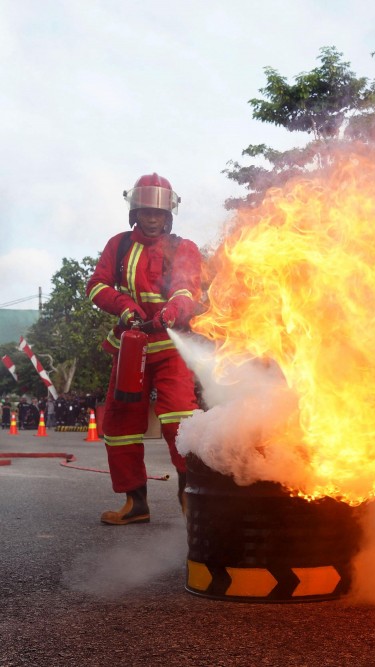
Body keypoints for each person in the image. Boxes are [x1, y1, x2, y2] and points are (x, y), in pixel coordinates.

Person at [86, 173, 202, 525]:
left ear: (169, 215)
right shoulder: (118, 245)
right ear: (134, 213)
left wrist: (172, 310)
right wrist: (123, 305)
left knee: (181, 421)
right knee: (120, 424)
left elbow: (186, 290)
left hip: (170, 346)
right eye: (145, 212)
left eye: (158, 213)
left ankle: (190, 499)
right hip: (130, 349)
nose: (152, 219)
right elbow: (96, 286)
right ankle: (135, 503)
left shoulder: (184, 248)